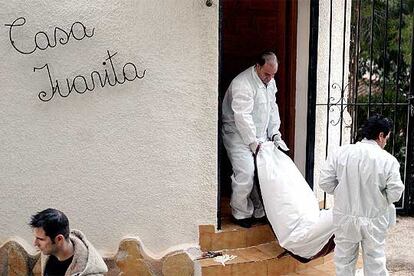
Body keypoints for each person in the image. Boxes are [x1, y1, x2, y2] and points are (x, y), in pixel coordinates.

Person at [319, 115, 405, 275]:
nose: (386, 141)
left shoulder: (340, 153)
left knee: (344, 261)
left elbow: (325, 182)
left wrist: (342, 192)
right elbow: (395, 193)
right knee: (375, 262)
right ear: (381, 135)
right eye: (387, 137)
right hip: (374, 218)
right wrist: (380, 199)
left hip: (344, 217)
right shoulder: (388, 160)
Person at [222, 51, 288, 228]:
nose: (270, 78)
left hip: (259, 135)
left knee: (262, 172)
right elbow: (242, 116)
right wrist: (253, 142)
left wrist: (275, 133)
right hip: (236, 134)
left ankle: (259, 210)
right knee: (246, 172)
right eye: (267, 74)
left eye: (273, 74)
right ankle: (240, 213)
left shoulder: (270, 80)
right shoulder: (242, 84)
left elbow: (272, 108)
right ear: (257, 66)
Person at [30, 208, 108, 276]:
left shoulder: (87, 272)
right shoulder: (48, 252)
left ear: (59, 239)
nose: (35, 243)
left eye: (40, 239)